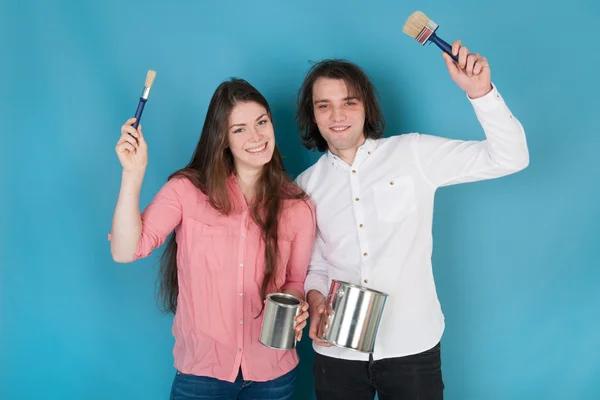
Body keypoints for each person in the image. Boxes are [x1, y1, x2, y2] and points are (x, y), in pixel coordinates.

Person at [294, 41, 529, 399]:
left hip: (412, 345)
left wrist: (481, 94)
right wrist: (315, 300)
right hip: (336, 351)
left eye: (349, 102)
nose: (337, 115)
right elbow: (316, 265)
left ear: (365, 108)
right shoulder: (305, 187)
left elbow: (510, 157)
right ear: (313, 115)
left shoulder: (413, 154)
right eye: (324, 106)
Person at [109, 78, 316, 399]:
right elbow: (125, 250)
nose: (256, 136)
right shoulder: (186, 191)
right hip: (202, 375)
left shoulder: (297, 205)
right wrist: (132, 174)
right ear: (222, 139)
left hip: (274, 375)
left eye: (262, 122)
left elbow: (295, 281)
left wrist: (296, 307)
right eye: (239, 129)